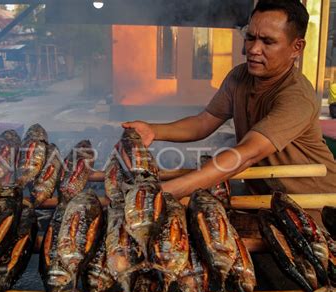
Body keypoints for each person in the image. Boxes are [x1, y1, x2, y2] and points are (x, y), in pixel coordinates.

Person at [123, 0, 336, 202]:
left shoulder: (297, 96)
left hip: (314, 204)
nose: (253, 49)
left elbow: (245, 155)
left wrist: (166, 192)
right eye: (250, 37)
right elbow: (204, 121)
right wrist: (153, 130)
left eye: (268, 41)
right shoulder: (239, 76)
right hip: (268, 200)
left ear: (296, 48)